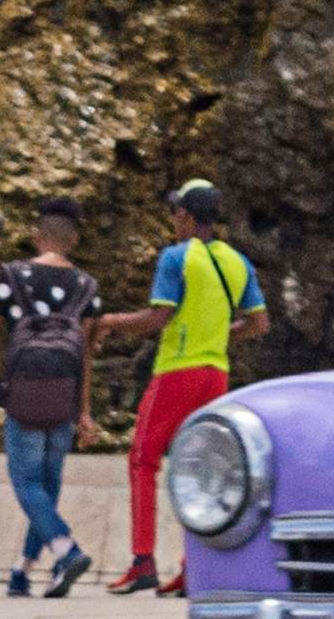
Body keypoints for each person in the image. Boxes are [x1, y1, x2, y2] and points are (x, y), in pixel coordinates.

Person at [94, 180, 262, 597]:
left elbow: (159, 317)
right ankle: (193, 567)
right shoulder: (237, 261)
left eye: (175, 214)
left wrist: (111, 322)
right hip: (216, 373)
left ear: (185, 216)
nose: (173, 222)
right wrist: (218, 336)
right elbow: (259, 324)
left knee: (143, 460)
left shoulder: (176, 257)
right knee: (201, 469)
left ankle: (142, 562)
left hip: (176, 371)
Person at [0, 196, 101, 597]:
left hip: (25, 389)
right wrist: (85, 413)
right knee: (47, 482)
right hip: (64, 392)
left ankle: (65, 548)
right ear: (74, 240)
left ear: (35, 236)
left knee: (25, 481)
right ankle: (22, 570)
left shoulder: (13, 276)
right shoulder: (87, 287)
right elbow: (86, 355)